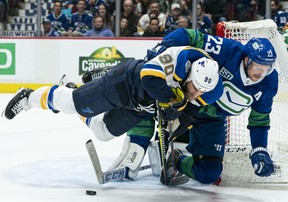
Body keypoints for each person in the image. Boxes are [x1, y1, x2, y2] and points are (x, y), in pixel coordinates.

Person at [2, 46, 222, 179]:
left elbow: (182, 110)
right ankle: (28, 97)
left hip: (139, 107)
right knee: (71, 104)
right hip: (123, 84)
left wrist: (171, 123)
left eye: (201, 90)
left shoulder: (203, 90)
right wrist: (173, 100)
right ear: (189, 74)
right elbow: (147, 75)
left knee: (102, 132)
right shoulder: (177, 59)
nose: (195, 93)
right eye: (194, 86)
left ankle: (71, 87)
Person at [124, 27, 278, 185]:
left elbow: (259, 119)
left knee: (209, 173)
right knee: (150, 91)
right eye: (258, 68)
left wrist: (260, 148)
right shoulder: (229, 50)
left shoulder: (269, 83)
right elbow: (188, 35)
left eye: (267, 69)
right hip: (188, 99)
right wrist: (164, 48)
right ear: (247, 60)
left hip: (212, 119)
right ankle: (138, 141)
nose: (261, 74)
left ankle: (175, 158)